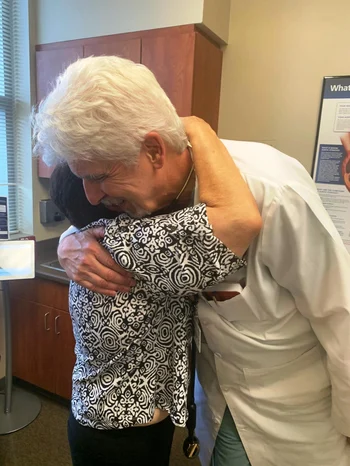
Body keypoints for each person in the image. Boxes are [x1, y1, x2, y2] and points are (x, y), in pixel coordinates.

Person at [33, 56, 350, 466]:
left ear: (153, 150)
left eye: (99, 177)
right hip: (212, 398)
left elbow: (340, 312)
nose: (93, 196)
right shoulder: (143, 202)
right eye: (83, 180)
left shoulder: (271, 192)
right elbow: (98, 221)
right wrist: (69, 239)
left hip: (289, 414)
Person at [48, 118, 260, 466]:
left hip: (114, 416)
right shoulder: (130, 242)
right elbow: (240, 220)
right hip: (121, 430)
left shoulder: (96, 239)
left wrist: (64, 239)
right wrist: (196, 128)